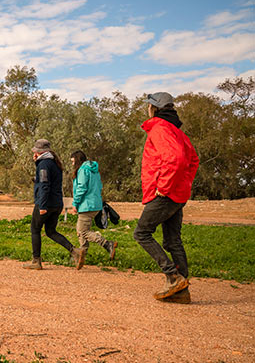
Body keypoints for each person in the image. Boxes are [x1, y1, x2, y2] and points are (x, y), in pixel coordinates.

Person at [133, 92, 199, 303]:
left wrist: (165, 186)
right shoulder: (178, 132)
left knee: (142, 233)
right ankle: (182, 291)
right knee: (172, 240)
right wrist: (182, 185)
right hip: (177, 194)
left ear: (154, 108)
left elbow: (176, 159)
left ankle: (172, 277)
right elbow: (193, 160)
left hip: (165, 193)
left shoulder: (160, 128)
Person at [23, 139, 85, 270]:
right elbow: (46, 180)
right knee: (50, 231)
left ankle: (36, 261)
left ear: (40, 152)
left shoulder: (44, 164)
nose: (34, 153)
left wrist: (42, 206)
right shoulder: (54, 163)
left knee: (35, 229)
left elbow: (45, 185)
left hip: (46, 203)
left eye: (35, 151)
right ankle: (75, 251)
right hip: (57, 203)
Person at [70, 151, 117, 267]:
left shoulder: (82, 170)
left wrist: (75, 203)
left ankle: (107, 244)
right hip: (96, 204)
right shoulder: (94, 171)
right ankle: (82, 253)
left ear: (77, 159)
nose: (72, 164)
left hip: (86, 205)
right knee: (81, 229)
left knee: (83, 231)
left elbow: (81, 187)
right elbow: (100, 186)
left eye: (72, 161)